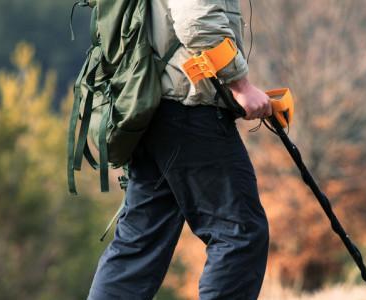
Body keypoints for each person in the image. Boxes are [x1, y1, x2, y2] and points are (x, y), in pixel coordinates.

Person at [87, 1, 271, 299]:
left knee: (138, 247)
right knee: (239, 234)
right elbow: (197, 19)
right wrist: (240, 85)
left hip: (152, 109)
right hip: (188, 108)